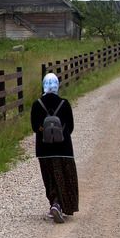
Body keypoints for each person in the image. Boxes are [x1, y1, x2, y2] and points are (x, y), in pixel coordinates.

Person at [31, 72, 78, 223]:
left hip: (44, 150)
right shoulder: (64, 104)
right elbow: (70, 127)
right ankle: (59, 205)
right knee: (64, 177)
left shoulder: (37, 104)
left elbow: (34, 127)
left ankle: (54, 204)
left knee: (50, 178)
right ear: (57, 85)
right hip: (64, 149)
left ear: (43, 85)